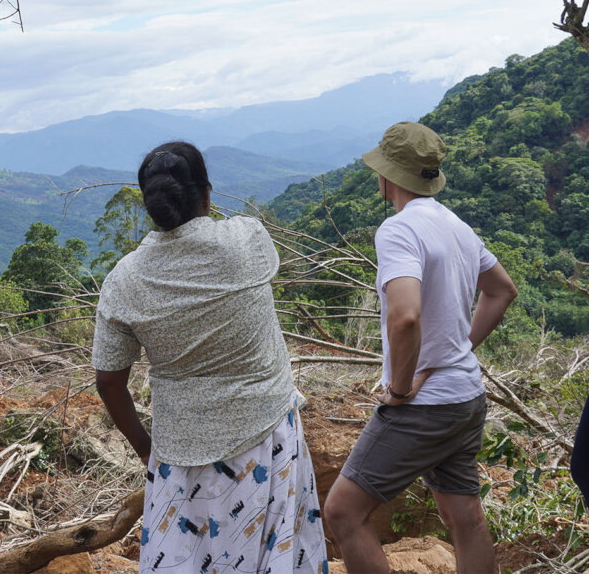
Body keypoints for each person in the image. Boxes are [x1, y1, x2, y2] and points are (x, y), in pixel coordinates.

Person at [92, 141, 328, 574]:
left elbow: (109, 383)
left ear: (151, 206)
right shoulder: (247, 239)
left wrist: (147, 449)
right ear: (206, 194)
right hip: (268, 438)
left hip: (180, 453)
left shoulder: (123, 281)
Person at [324, 121, 518, 573]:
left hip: (424, 405)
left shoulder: (398, 230)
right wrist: (458, 348)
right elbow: (502, 290)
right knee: (464, 518)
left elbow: (405, 315)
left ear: (387, 175)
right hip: (466, 397)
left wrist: (399, 386)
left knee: (343, 512)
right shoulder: (457, 225)